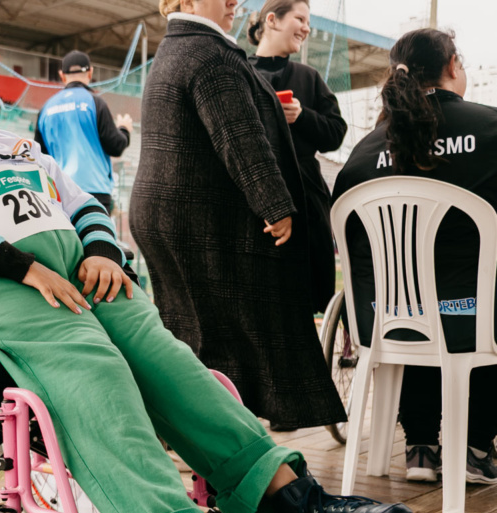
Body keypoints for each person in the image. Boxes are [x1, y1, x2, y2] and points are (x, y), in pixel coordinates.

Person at [0, 0, 411, 513]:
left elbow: (82, 203)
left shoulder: (13, 146)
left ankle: (293, 502)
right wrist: (23, 266)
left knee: (162, 353)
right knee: (94, 362)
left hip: (70, 270)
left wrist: (99, 253)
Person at [130, 0, 344, 432]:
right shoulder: (211, 53)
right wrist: (277, 206)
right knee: (225, 337)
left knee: (189, 334)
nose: (234, 2)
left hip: (164, 214)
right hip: (201, 219)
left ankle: (193, 432)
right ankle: (223, 436)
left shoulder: (173, 49)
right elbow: (241, 137)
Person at [332, 28, 497, 484]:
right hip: (467, 316)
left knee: (419, 301)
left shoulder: (364, 152)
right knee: (473, 298)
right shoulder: (491, 129)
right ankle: (475, 445)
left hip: (381, 319)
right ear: (451, 67)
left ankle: (420, 444)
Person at [249, 0, 346, 314]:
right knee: (260, 297)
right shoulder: (240, 72)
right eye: (300, 18)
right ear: (273, 20)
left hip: (305, 198)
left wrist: (302, 116)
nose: (306, 27)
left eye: (309, 20)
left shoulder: (308, 76)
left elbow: (336, 133)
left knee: (305, 298)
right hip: (254, 196)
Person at [34, 50, 133, 212]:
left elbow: (39, 155)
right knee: (96, 237)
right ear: (90, 72)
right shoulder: (95, 102)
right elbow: (115, 146)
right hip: (95, 192)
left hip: (60, 193)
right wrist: (124, 129)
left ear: (62, 75)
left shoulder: (46, 108)